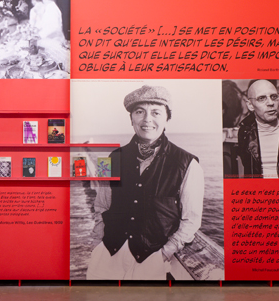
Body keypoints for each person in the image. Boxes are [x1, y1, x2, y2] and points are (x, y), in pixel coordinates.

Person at [85, 85, 204, 280]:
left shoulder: (188, 164)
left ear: (167, 118)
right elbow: (101, 206)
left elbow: (191, 220)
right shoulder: (111, 158)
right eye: (139, 112)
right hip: (107, 255)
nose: (147, 119)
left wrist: (164, 253)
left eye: (156, 112)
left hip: (152, 260)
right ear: (131, 119)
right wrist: (98, 243)